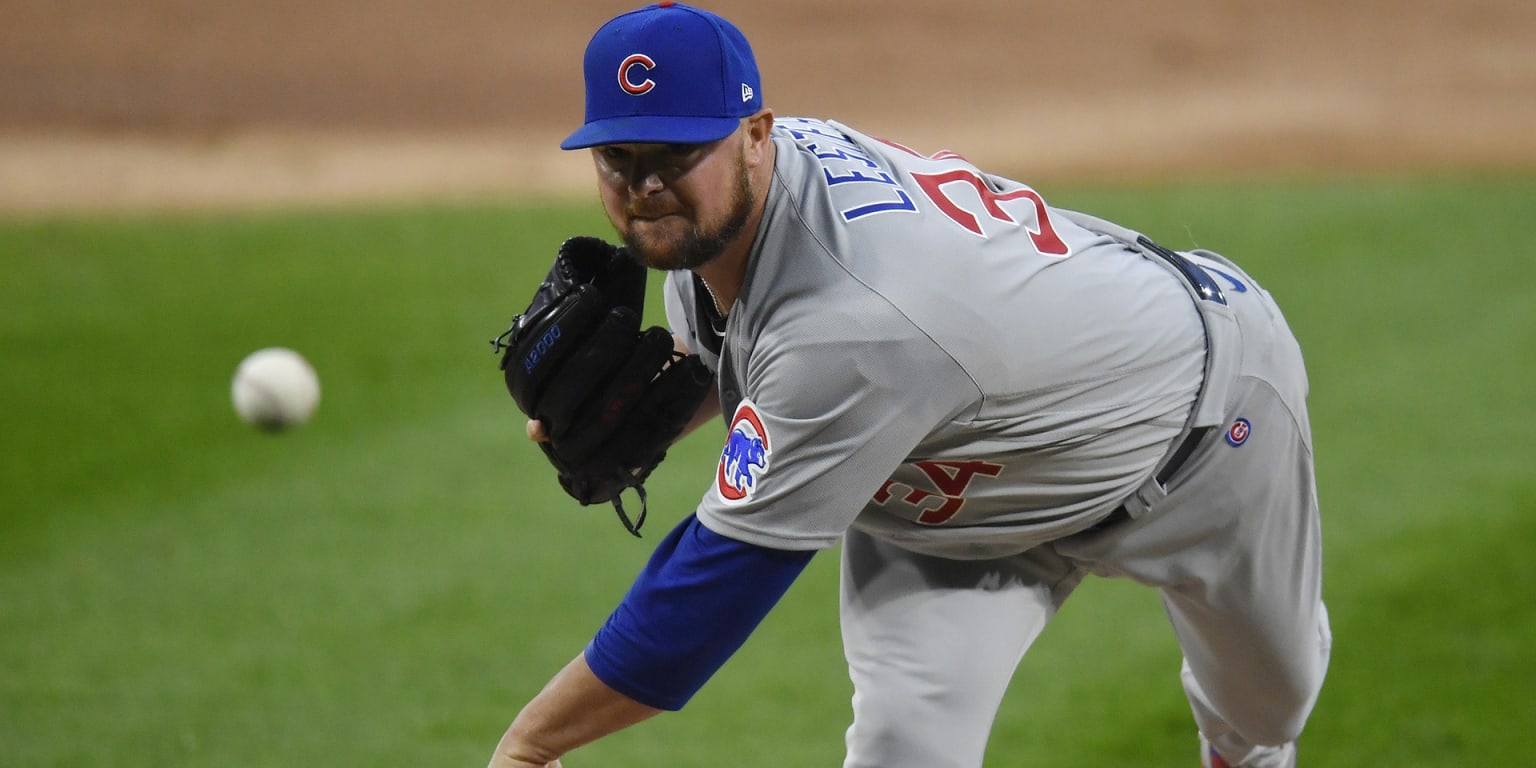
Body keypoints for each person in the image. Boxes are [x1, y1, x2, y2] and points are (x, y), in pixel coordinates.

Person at [487, 3, 1331, 767]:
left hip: (1199, 432)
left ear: (756, 135)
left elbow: (700, 601)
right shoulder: (726, 229)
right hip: (946, 502)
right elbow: (760, 361)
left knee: (1267, 708)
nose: (645, 186)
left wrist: (532, 744)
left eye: (678, 152)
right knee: (903, 752)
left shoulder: (855, 326)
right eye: (619, 157)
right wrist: (661, 413)